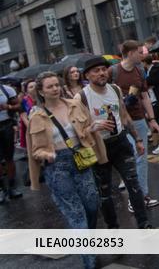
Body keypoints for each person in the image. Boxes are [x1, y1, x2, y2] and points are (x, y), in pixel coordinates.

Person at [27, 72, 101, 269]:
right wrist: (47, 154)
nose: (55, 89)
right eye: (49, 86)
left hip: (80, 159)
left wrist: (93, 128)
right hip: (57, 167)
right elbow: (35, 150)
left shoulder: (74, 105)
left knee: (92, 204)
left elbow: (85, 130)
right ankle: (89, 261)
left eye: (56, 85)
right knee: (76, 213)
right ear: (41, 91)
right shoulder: (37, 116)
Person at [77, 56, 151, 229]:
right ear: (87, 75)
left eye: (103, 69)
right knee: (104, 192)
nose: (101, 73)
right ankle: (113, 229)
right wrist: (94, 126)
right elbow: (78, 130)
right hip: (99, 147)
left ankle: (144, 225)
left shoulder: (115, 89)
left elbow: (124, 115)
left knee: (133, 184)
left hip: (120, 142)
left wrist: (137, 139)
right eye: (96, 71)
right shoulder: (81, 97)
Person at [111, 41, 159, 211]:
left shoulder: (139, 70)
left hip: (139, 119)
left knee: (141, 158)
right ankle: (135, 198)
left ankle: (143, 195)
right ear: (130, 53)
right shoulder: (113, 72)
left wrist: (152, 119)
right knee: (133, 157)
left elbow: (145, 96)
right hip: (120, 122)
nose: (143, 55)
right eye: (140, 52)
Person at [0, 77, 21, 203]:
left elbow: (18, 105)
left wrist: (8, 106)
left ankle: (12, 187)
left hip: (6, 125)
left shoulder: (6, 90)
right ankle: (2, 189)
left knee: (9, 158)